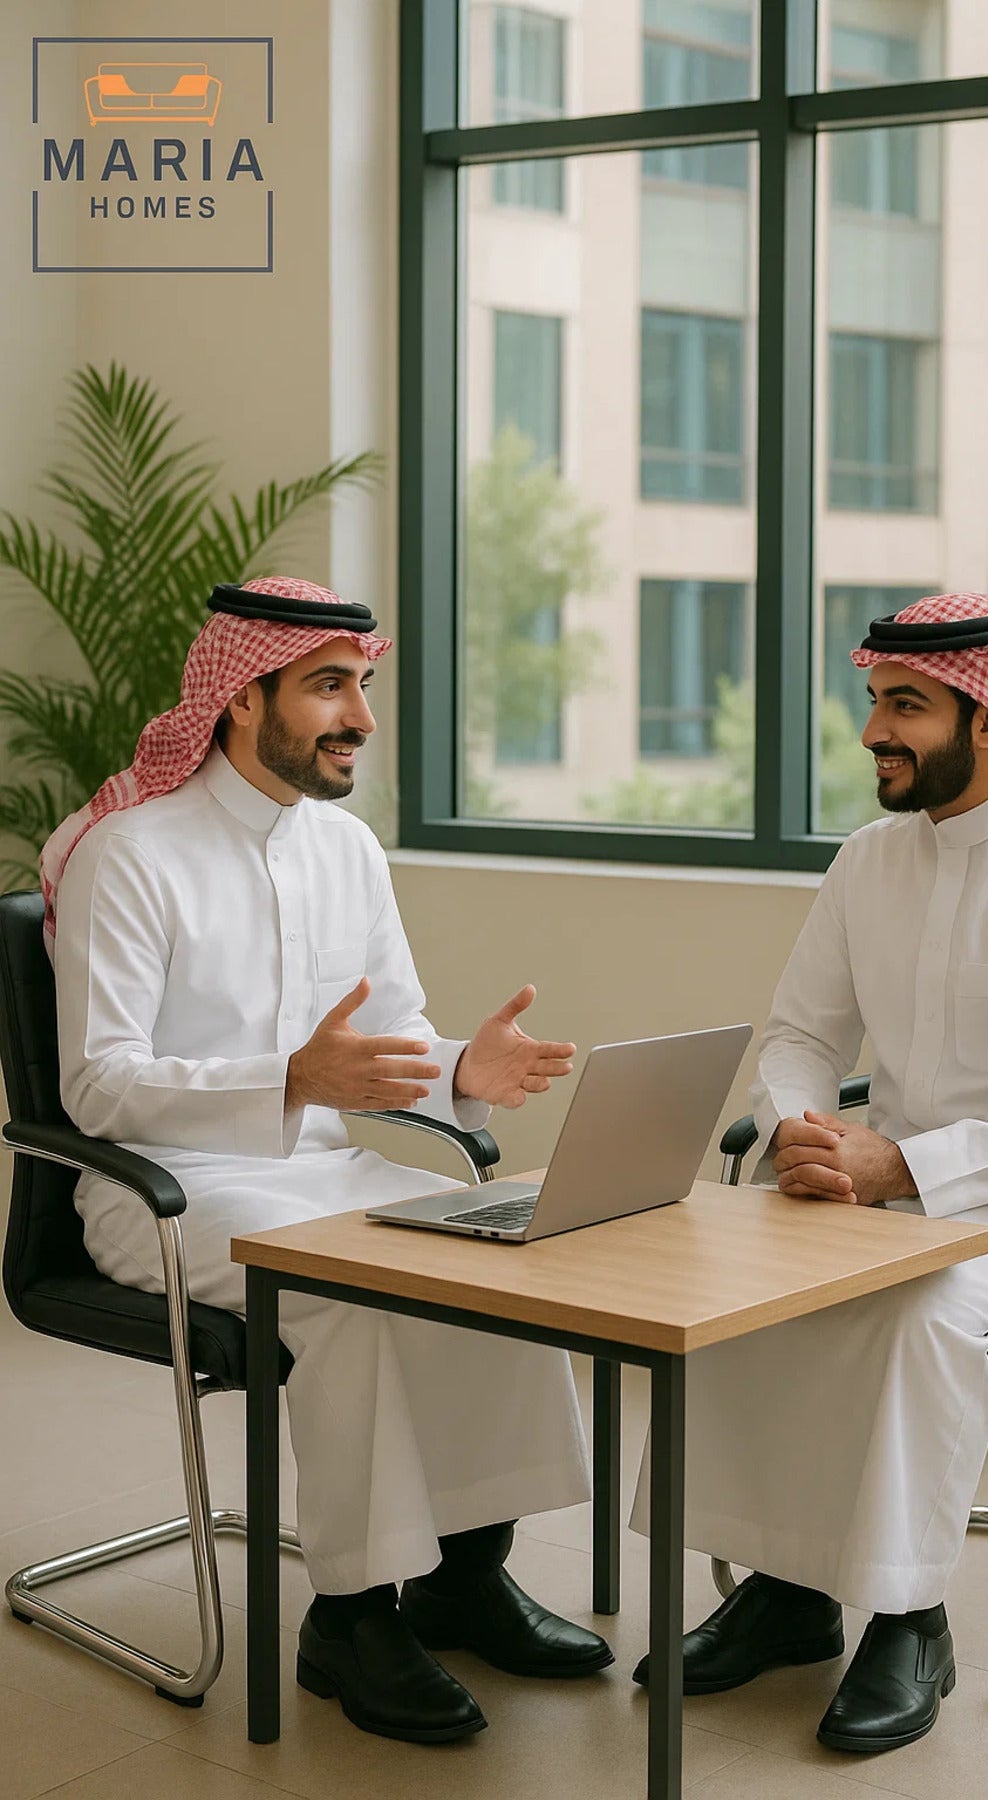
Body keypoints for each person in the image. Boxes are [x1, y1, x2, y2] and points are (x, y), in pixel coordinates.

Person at [44, 576, 612, 1746]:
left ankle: (465, 1576)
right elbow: (96, 1088)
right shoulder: (131, 855)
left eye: (362, 685)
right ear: (241, 699)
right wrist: (292, 1083)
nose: (358, 714)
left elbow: (389, 1037)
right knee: (359, 1300)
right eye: (327, 687)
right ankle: (349, 1618)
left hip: (318, 1169)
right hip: (163, 1188)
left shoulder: (346, 848)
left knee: (494, 1247)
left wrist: (463, 1069)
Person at [629, 591, 988, 1754]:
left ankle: (907, 1615)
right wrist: (801, 1133)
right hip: (875, 1184)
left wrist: (907, 1166)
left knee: (923, 1312)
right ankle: (785, 1592)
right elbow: (799, 1039)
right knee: (744, 1282)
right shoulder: (869, 860)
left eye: (905, 707)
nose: (875, 728)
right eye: (875, 699)